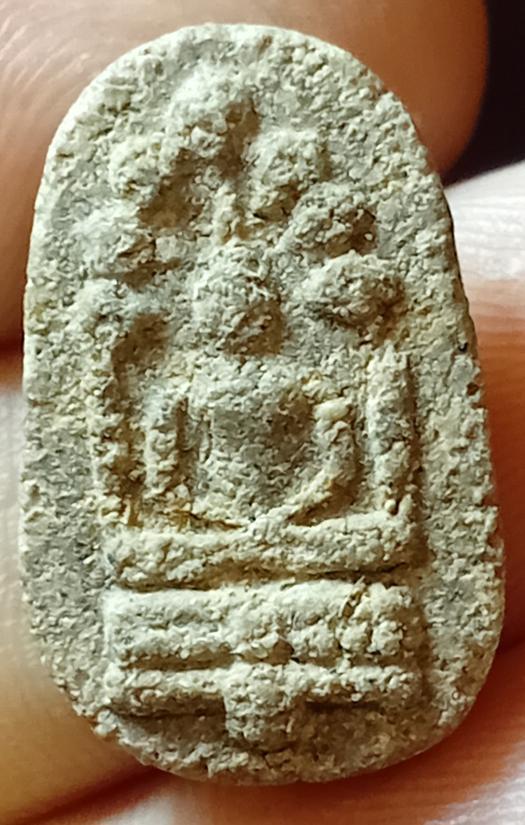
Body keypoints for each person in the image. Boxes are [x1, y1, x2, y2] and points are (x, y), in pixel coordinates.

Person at [2, 1, 525, 822]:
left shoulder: (311, 384)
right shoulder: (179, 391)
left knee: (381, 560)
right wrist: (226, 527)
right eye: (222, 305)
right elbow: (161, 488)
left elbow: (344, 463)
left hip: (311, 534)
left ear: (272, 307)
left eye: (251, 301)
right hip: (207, 545)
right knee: (138, 573)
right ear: (204, 312)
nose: (237, 314)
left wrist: (295, 516)